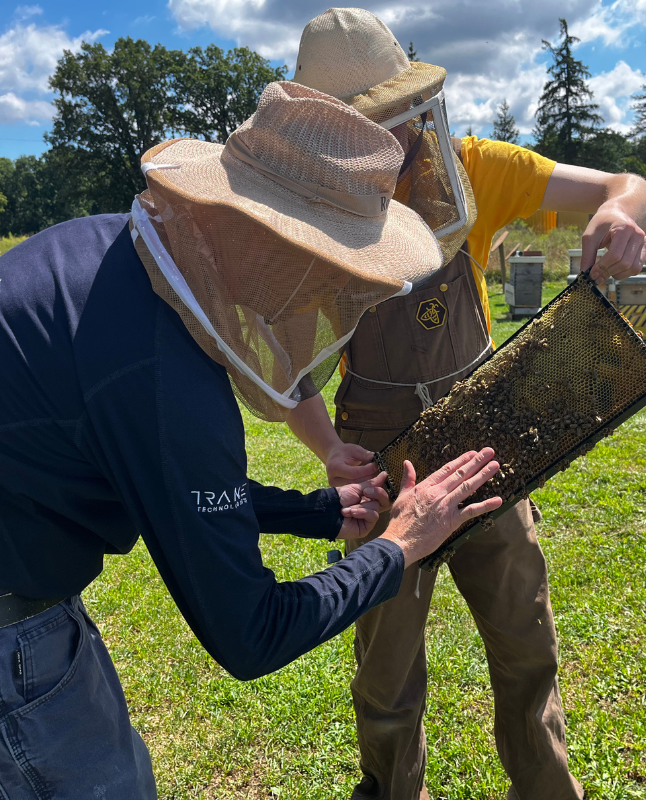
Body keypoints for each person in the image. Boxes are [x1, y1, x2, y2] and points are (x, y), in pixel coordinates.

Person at [0, 81, 504, 799]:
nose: (329, 297)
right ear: (275, 244)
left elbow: (171, 482)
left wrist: (321, 514)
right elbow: (253, 633)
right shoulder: (165, 379)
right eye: (333, 271)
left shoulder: (101, 255)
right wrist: (400, 548)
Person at [289, 10, 646, 800]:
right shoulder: (310, 211)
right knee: (386, 672)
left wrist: (622, 212)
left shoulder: (472, 168)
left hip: (493, 439)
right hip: (386, 463)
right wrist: (326, 447)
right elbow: (282, 360)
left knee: (526, 646)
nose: (382, 149)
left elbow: (625, 185)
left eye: (388, 125)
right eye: (356, 133)